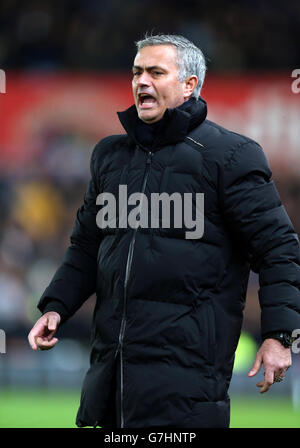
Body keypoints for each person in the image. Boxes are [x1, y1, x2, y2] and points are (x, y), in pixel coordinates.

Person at [28, 34, 300, 428]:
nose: (141, 82)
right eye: (137, 72)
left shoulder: (231, 157)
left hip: (188, 379)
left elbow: (278, 249)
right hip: (113, 375)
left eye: (156, 72)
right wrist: (56, 306)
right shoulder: (110, 157)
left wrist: (280, 336)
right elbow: (87, 246)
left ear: (189, 85)